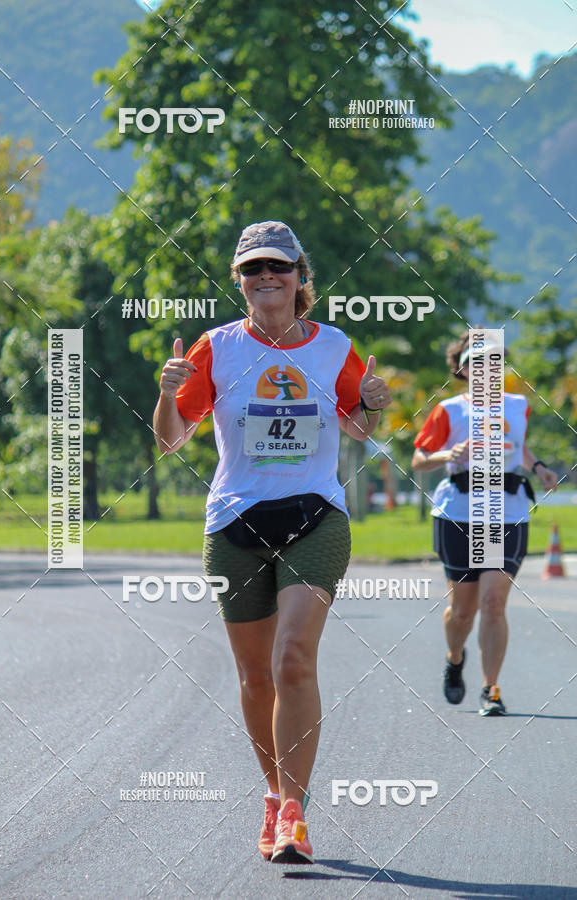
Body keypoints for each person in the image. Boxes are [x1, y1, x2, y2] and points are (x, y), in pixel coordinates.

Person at [153, 221, 391, 863]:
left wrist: (373, 402)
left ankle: (294, 813)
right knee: (256, 677)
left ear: (299, 276)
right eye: (253, 268)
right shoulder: (216, 347)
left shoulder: (333, 346)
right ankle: (273, 791)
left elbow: (360, 428)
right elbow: (171, 440)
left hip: (315, 517)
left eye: (278, 267)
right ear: (239, 280)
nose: (266, 277)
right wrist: (168, 395)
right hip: (234, 526)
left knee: (292, 659)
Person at [411, 330, 558, 716]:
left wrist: (539, 467)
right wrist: (447, 454)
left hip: (505, 512)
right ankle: (454, 657)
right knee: (462, 611)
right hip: (459, 513)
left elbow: (518, 446)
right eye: (477, 362)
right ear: (462, 370)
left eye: (494, 361)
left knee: (493, 602)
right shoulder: (449, 410)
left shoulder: (517, 406)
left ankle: (490, 690)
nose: (487, 369)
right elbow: (419, 460)